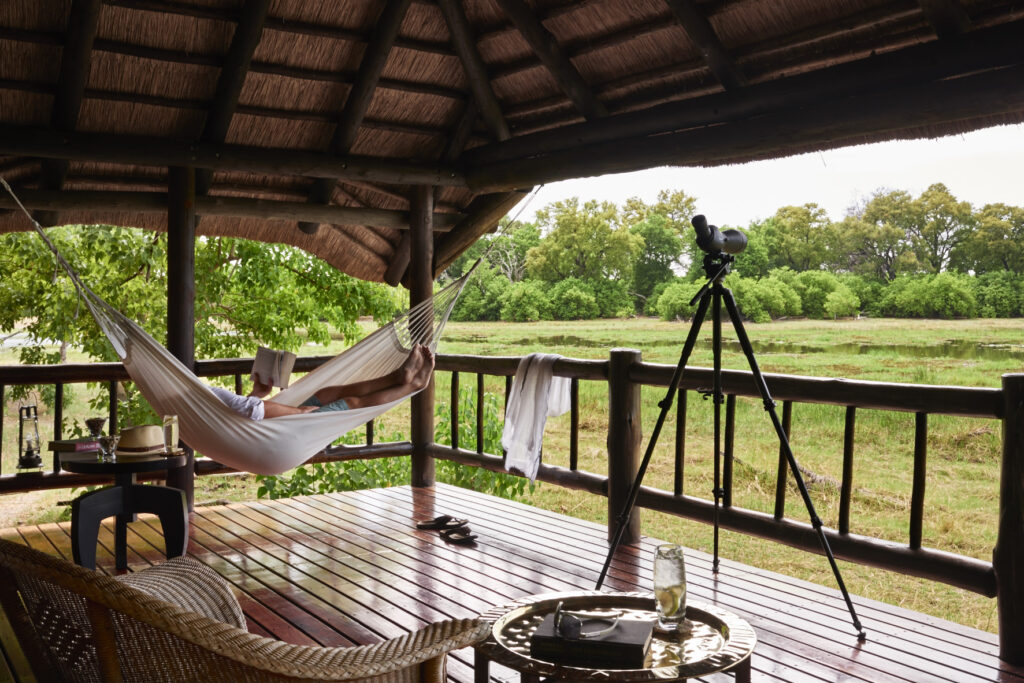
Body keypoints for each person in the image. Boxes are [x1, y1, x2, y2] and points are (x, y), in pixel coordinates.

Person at [209, 345, 434, 420]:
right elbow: (249, 410)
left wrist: (257, 393)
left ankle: (397, 377)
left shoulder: (197, 394)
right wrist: (299, 412)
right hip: (275, 434)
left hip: (271, 425)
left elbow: (235, 415)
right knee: (351, 402)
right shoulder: (193, 394)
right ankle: (415, 385)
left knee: (328, 393)